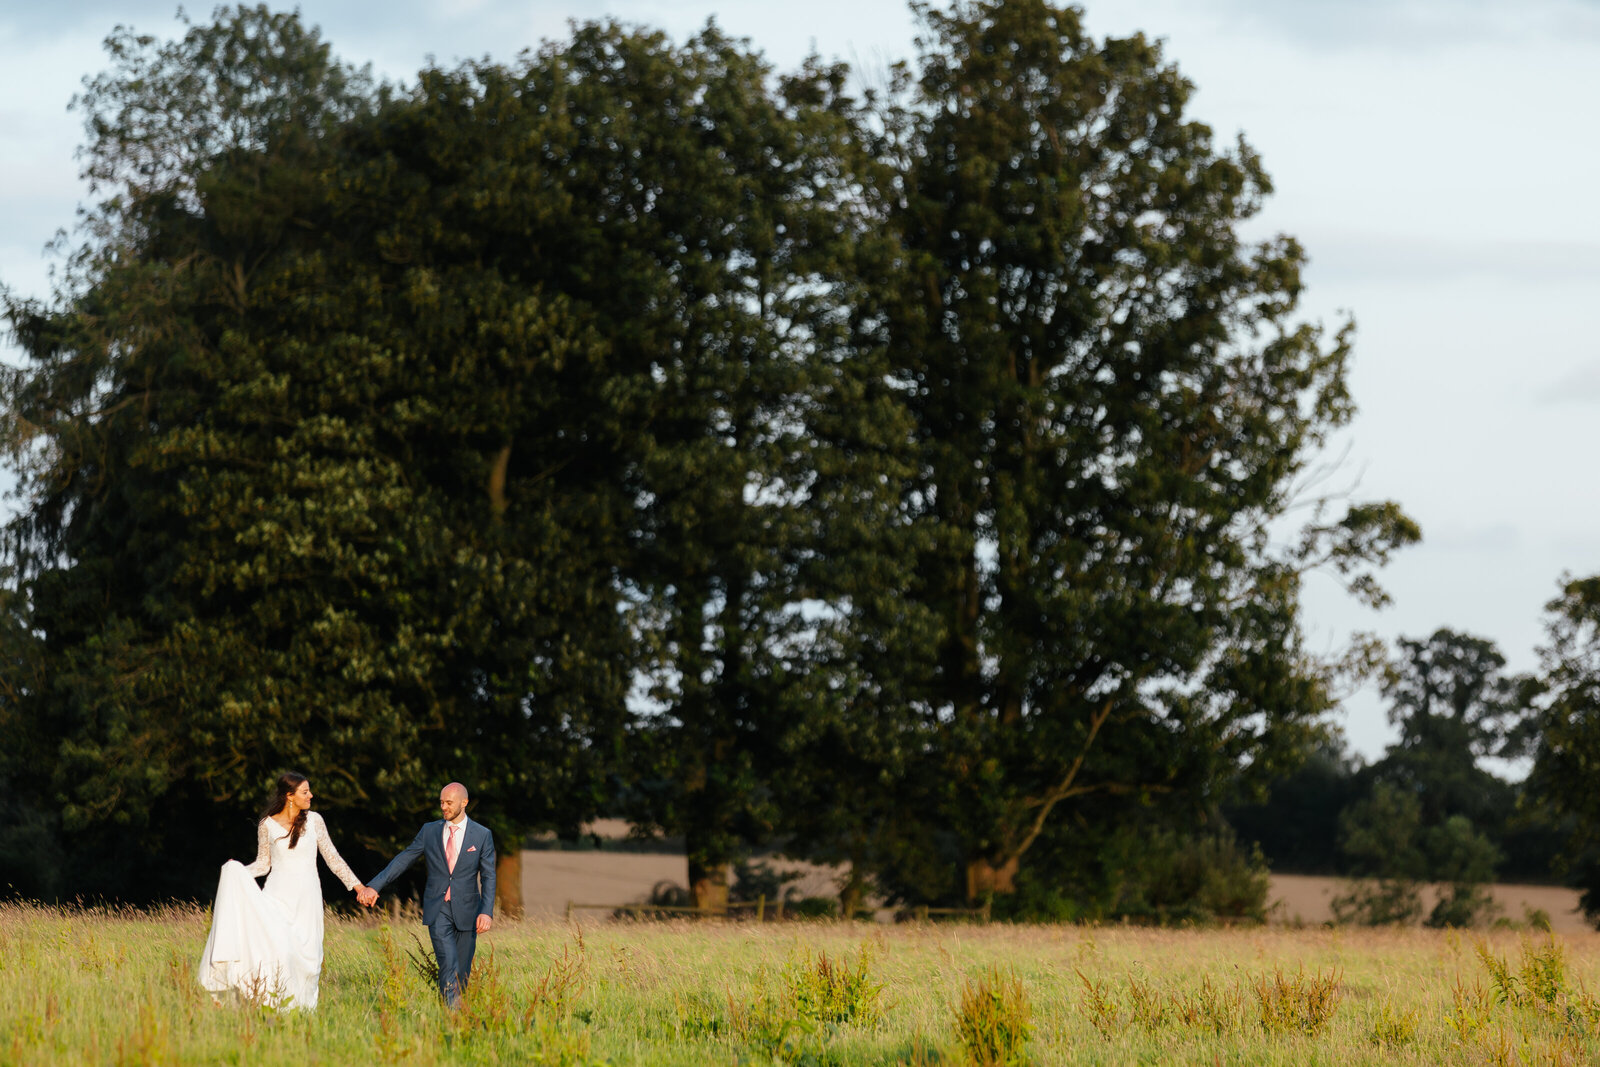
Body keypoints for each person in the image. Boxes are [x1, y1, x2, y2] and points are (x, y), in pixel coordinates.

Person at [196, 772, 367, 1009]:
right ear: (290, 796)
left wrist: (358, 886)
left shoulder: (315, 821)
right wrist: (236, 874)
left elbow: (333, 858)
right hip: (277, 897)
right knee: (276, 949)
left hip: (307, 901)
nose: (311, 795)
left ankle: (302, 1011)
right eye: (305, 792)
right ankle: (267, 1002)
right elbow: (263, 864)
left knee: (308, 959)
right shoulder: (267, 824)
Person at [358, 781, 496, 1007]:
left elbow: (489, 876)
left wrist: (486, 912)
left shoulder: (482, 835)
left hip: (469, 911)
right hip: (438, 908)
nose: (444, 807)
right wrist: (374, 886)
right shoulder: (429, 831)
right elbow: (403, 859)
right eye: (441, 802)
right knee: (448, 962)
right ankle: (451, 1013)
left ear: (464, 803)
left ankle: (459, 1015)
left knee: (462, 970)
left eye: (449, 802)